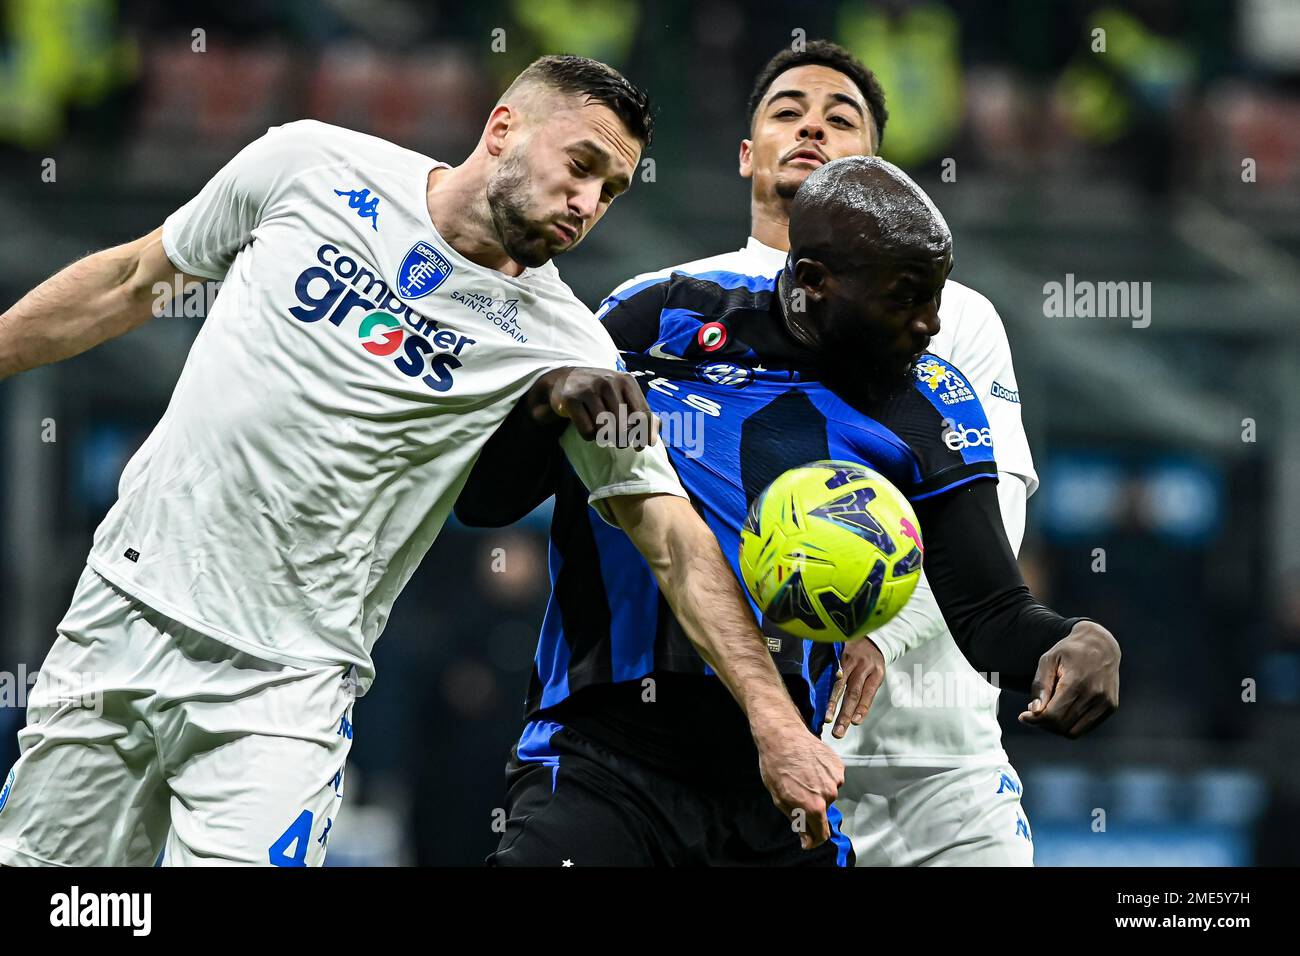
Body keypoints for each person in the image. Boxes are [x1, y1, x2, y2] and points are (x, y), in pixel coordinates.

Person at [0, 55, 842, 867]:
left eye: (611, 191)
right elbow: (132, 279)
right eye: (580, 166)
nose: (587, 203)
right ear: (504, 127)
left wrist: (774, 722)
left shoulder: (569, 348)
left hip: (287, 691)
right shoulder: (309, 164)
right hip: (124, 610)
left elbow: (672, 538)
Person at [457, 155, 1120, 867]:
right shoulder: (659, 316)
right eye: (906, 299)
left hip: (779, 790)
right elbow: (486, 500)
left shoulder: (929, 403)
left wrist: (1073, 641)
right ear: (813, 285)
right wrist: (542, 402)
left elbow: (991, 614)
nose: (930, 323)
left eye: (936, 295)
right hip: (602, 761)